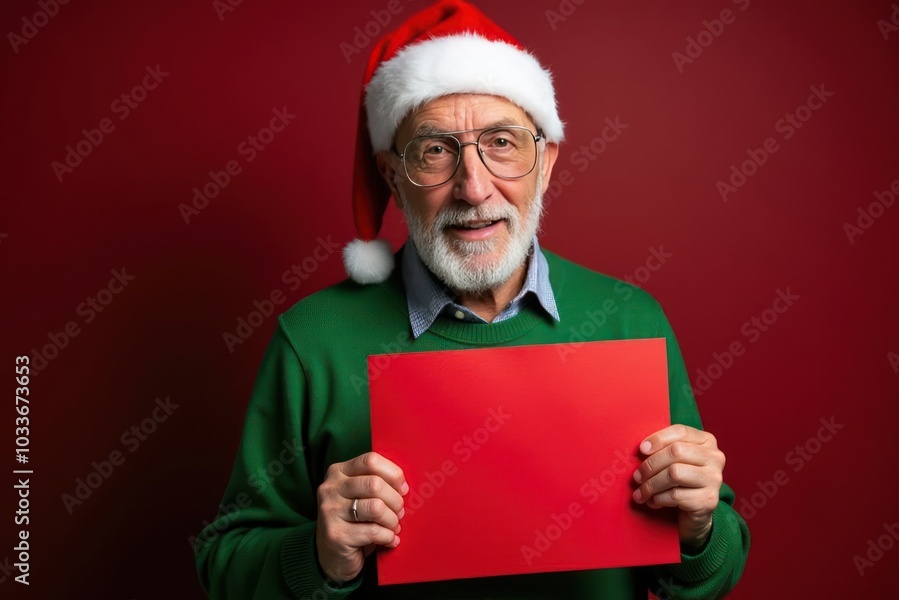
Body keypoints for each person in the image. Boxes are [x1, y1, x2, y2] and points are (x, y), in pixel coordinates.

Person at [195, 1, 750, 598]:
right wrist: (320, 555)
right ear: (392, 176)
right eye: (435, 150)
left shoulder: (629, 319)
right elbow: (224, 561)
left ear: (545, 162)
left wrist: (699, 530)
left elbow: (708, 574)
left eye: (502, 143)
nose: (474, 187)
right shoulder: (313, 340)